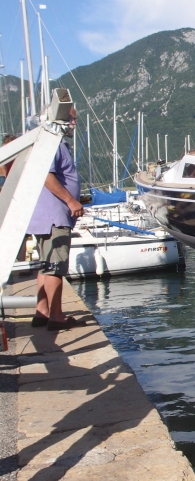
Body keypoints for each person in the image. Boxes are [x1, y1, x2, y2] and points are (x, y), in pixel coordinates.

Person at [27, 106, 87, 331]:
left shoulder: (52, 143)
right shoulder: (53, 144)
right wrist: (71, 201)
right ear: (59, 119)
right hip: (55, 215)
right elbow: (47, 175)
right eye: (71, 119)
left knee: (46, 265)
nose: (74, 124)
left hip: (45, 215)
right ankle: (56, 316)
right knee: (55, 266)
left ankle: (42, 311)